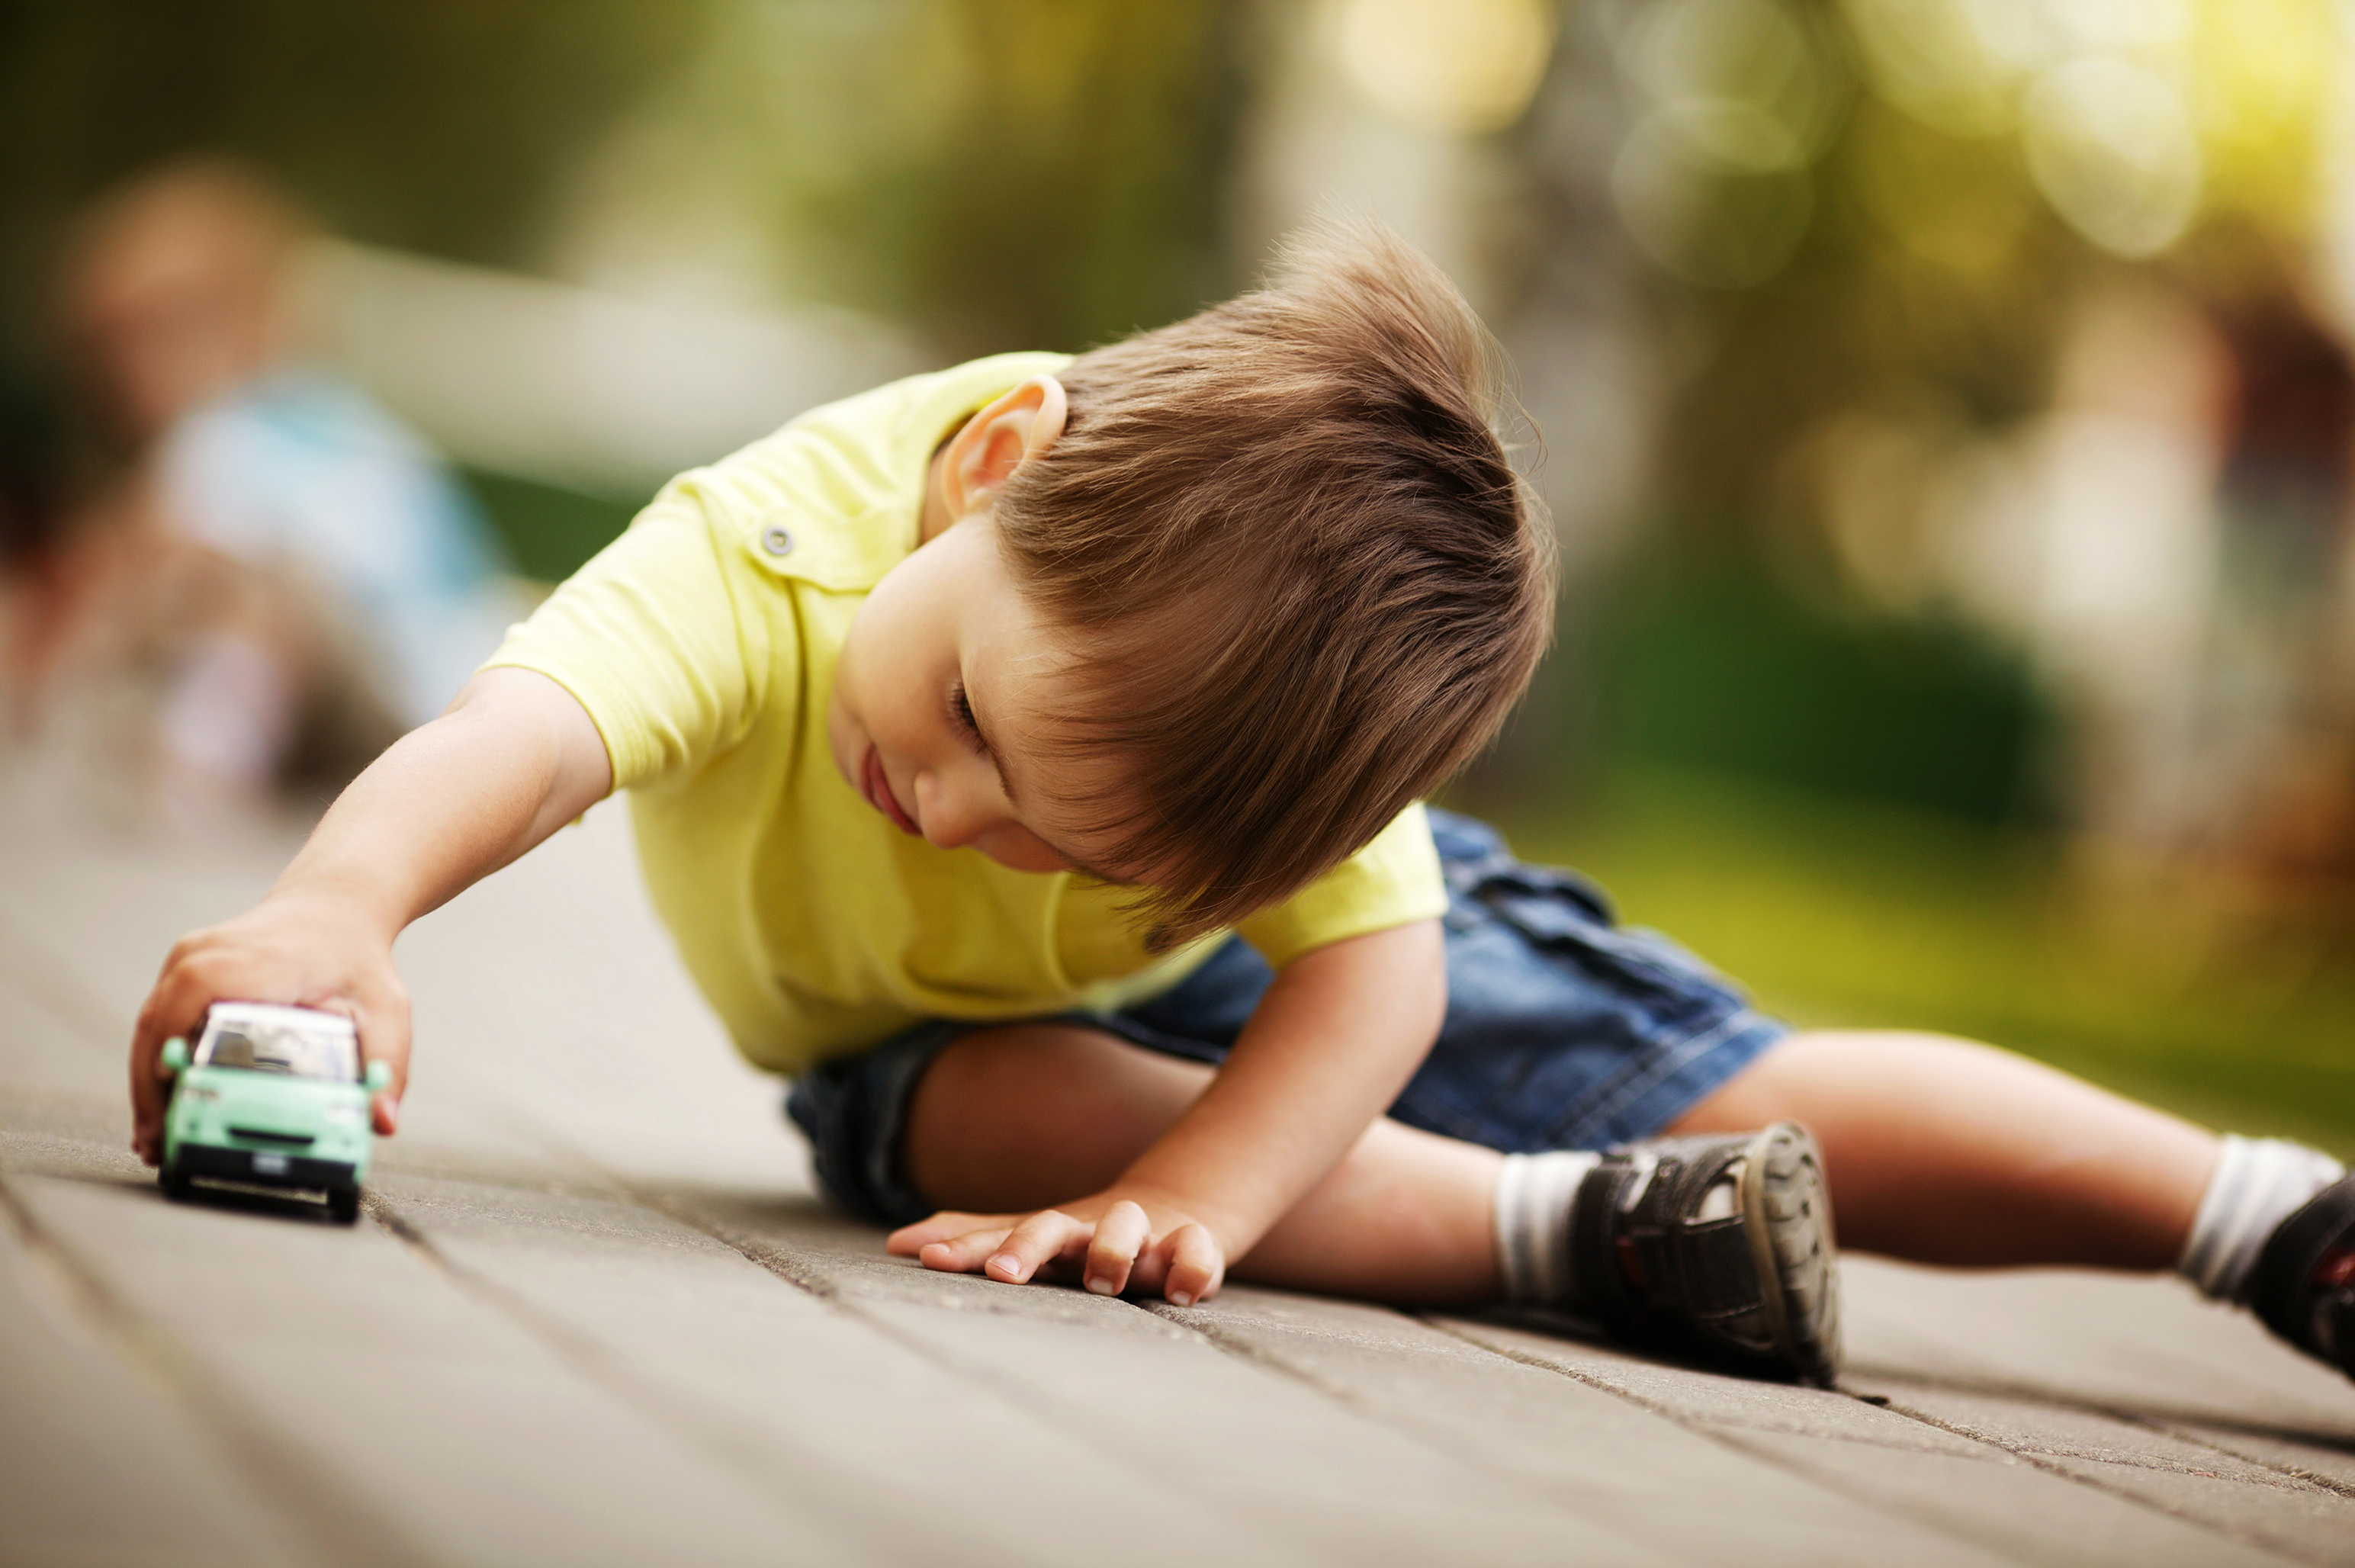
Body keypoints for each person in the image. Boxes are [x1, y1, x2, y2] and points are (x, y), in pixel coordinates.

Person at [125, 223, 2353, 1386]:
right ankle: (1583, 1238)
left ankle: (2260, 1217)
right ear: (989, 485)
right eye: (980, 726)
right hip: (938, 1054)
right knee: (978, 1110)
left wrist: (1217, 1171)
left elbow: (1375, 970)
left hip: (1292, 988)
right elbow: (523, 735)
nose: (964, 822)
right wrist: (342, 909)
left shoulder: (1241, 754)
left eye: (1063, 835)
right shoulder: (783, 545)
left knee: (1723, 1075)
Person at [14, 159, 519, 814]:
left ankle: (201, 760)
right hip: (471, 703)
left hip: (400, 696)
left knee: (245, 589)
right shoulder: (339, 422)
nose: (125, 374)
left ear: (251, 318)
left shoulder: (219, 435)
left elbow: (142, 563)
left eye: (155, 336)